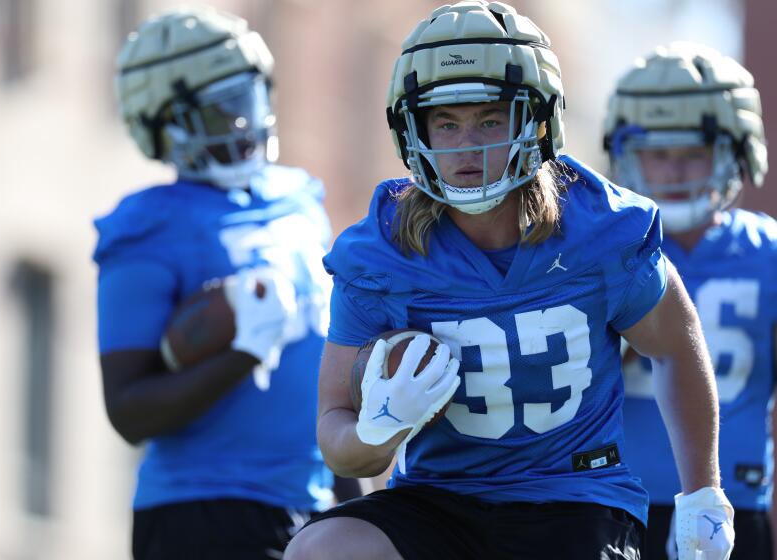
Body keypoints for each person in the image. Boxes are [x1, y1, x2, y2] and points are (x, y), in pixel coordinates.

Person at [285, 3, 734, 560]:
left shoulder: (598, 229)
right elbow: (336, 434)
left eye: (489, 120)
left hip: (575, 498)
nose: (465, 145)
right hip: (442, 499)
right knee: (322, 549)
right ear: (413, 129)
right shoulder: (381, 253)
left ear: (537, 121)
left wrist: (703, 494)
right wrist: (378, 431)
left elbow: (676, 347)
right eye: (445, 123)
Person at [94, 8, 346, 559]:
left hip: (316, 502)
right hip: (204, 513)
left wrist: (357, 493)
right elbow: (128, 410)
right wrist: (242, 354)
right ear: (167, 123)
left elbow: (324, 374)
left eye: (246, 101)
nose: (242, 124)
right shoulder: (147, 229)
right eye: (219, 112)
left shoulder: (297, 201)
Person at [604, 42, 772, 559]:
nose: (674, 173)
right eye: (657, 155)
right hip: (614, 503)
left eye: (692, 154)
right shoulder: (604, 250)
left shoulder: (767, 255)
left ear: (735, 152)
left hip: (732, 504)